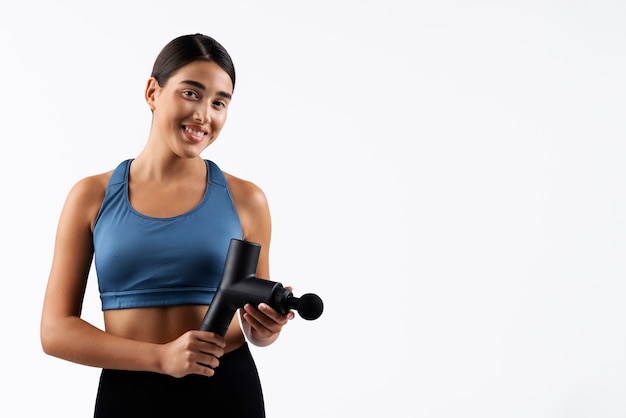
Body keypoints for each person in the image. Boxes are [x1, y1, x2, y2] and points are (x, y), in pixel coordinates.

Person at [40, 33, 294, 418]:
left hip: (227, 392)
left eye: (219, 102)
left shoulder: (247, 200)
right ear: (153, 92)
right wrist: (160, 358)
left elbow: (253, 318)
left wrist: (265, 330)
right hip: (129, 394)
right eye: (191, 93)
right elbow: (55, 331)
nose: (204, 115)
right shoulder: (91, 196)